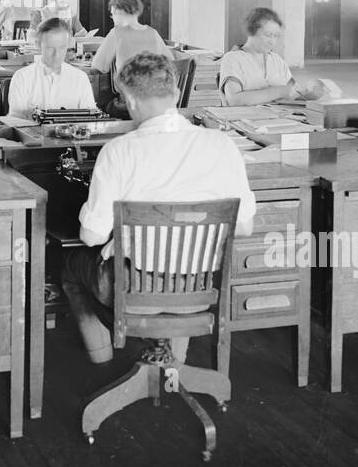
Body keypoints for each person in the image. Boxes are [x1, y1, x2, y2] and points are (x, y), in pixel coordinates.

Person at [63, 53, 256, 366]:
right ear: (177, 94)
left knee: (70, 263)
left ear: (129, 100)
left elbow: (91, 236)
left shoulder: (118, 151)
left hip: (135, 294)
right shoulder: (222, 145)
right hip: (202, 288)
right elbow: (244, 227)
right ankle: (171, 360)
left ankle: (101, 357)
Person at [8, 17, 97, 117]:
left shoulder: (80, 78)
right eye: (50, 48)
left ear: (68, 44)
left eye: (62, 48)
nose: (57, 55)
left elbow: (90, 119)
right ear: (38, 45)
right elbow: (16, 122)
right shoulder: (22, 78)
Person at [219, 7, 304, 104]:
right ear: (251, 31)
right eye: (268, 35)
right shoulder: (233, 59)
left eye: (276, 36)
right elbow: (234, 100)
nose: (272, 42)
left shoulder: (277, 60)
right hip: (244, 118)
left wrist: (311, 93)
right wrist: (279, 91)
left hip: (278, 117)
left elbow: (294, 91)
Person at [90, 0, 169, 80]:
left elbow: (99, 66)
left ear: (120, 12)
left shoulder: (116, 33)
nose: (113, 18)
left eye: (113, 14)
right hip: (156, 88)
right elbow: (169, 60)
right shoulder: (153, 32)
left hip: (129, 90)